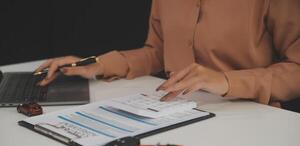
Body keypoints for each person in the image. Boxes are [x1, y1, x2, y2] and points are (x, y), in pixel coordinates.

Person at [36, 0, 300, 107]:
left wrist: (226, 81)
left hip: (247, 117)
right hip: (171, 110)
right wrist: (97, 64)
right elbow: (158, 52)